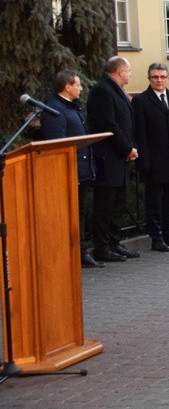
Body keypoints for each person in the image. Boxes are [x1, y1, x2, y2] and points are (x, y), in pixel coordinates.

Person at [42, 70, 101, 268]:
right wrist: (68, 172)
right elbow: (58, 145)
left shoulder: (71, 107)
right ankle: (74, 253)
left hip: (81, 171)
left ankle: (80, 251)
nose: (81, 88)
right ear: (67, 87)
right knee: (72, 215)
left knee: (80, 213)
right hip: (70, 172)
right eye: (78, 85)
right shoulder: (55, 110)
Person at [132, 63, 169, 252]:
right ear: (149, 79)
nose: (159, 80)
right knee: (154, 203)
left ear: (167, 78)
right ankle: (156, 238)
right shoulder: (141, 101)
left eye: (162, 77)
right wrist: (144, 162)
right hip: (154, 162)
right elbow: (140, 134)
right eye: (155, 77)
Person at [86, 56, 140, 263]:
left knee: (118, 203)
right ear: (120, 71)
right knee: (105, 204)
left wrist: (132, 147)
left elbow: (127, 122)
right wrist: (127, 147)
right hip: (107, 157)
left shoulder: (114, 89)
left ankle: (114, 242)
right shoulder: (102, 90)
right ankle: (102, 247)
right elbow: (108, 124)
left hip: (120, 156)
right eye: (129, 71)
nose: (130, 74)